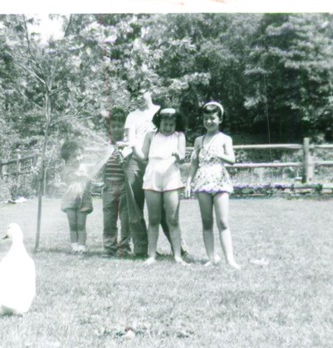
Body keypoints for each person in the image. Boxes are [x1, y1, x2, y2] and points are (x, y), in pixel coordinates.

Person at [124, 90, 187, 258]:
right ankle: (151, 255)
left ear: (176, 123)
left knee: (172, 219)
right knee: (153, 218)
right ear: (159, 122)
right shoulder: (151, 135)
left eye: (171, 124)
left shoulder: (179, 135)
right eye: (164, 124)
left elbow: (182, 157)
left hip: (171, 178)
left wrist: (178, 155)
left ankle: (178, 255)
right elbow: (143, 157)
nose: (167, 127)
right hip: (152, 178)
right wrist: (131, 146)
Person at [185, 101, 241, 269]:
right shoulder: (198, 140)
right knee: (206, 222)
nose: (209, 121)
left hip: (219, 180)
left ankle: (230, 259)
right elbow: (194, 164)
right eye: (206, 118)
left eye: (212, 118)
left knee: (223, 222)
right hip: (202, 181)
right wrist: (188, 182)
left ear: (220, 119)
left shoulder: (225, 139)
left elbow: (232, 160)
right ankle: (211, 257)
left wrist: (219, 154)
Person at [101, 108, 138, 257]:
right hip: (108, 187)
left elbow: (130, 166)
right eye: (113, 125)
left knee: (125, 219)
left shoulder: (127, 145)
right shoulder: (105, 146)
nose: (116, 128)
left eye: (119, 125)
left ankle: (124, 248)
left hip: (124, 186)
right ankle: (109, 248)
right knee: (109, 220)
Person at [60, 140, 92, 254]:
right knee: (72, 224)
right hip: (70, 200)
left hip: (83, 199)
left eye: (79, 155)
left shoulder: (85, 168)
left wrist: (86, 177)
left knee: (81, 224)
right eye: (74, 156)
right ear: (67, 159)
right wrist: (77, 174)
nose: (78, 158)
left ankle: (82, 247)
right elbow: (65, 177)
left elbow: (89, 179)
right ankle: (74, 246)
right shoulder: (66, 169)